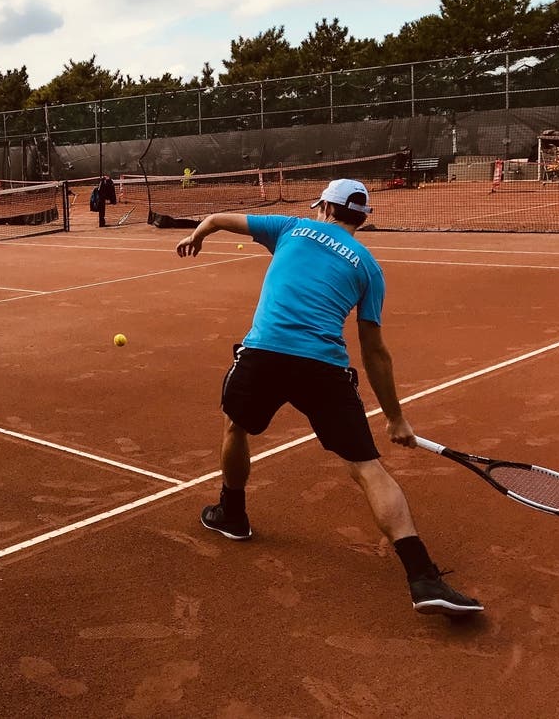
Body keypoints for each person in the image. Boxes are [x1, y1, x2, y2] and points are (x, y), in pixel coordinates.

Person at [175, 178, 483, 617]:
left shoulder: (290, 228)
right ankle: (423, 578)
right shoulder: (367, 267)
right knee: (367, 468)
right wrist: (396, 418)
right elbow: (375, 351)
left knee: (236, 426)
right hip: (323, 366)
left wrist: (196, 234)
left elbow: (220, 218)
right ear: (361, 218)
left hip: (264, 353)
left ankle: (233, 514)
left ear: (323, 206)